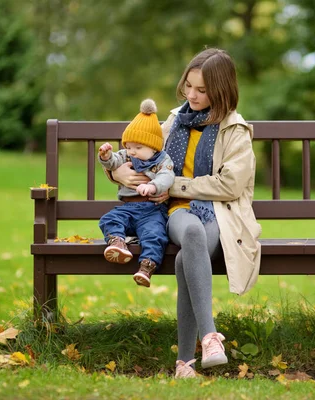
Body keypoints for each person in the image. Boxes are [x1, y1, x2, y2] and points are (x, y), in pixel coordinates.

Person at [106, 48, 261, 378]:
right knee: (190, 234)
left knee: (183, 260)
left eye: (202, 90)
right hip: (176, 212)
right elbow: (140, 153)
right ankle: (209, 336)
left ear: (221, 90)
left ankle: (184, 364)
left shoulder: (235, 131)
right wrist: (116, 173)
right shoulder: (175, 121)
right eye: (188, 86)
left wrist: (174, 184)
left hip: (220, 214)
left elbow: (230, 186)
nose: (191, 95)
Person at [98, 99, 174, 288]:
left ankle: (147, 266)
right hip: (129, 208)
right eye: (129, 146)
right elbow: (115, 162)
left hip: (152, 210)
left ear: (154, 147)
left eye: (138, 148)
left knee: (155, 235)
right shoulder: (127, 154)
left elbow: (167, 176)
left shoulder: (162, 160)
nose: (132, 151)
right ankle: (117, 243)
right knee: (109, 219)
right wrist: (106, 157)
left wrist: (154, 186)